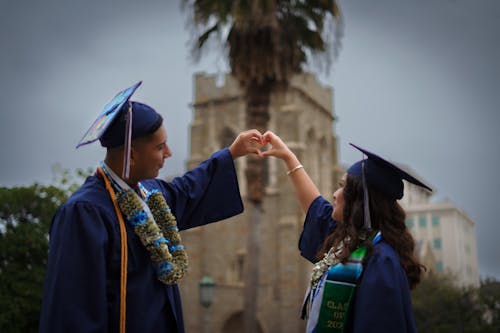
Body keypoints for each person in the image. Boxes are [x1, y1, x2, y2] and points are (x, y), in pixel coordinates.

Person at [39, 81, 264, 333]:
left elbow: (188, 189)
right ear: (131, 155)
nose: (168, 153)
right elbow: (73, 312)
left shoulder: (150, 196)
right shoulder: (86, 213)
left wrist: (232, 152)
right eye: (159, 147)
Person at [262, 131, 430, 333]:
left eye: (342, 187)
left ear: (360, 201)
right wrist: (288, 158)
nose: (334, 194)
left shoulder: (381, 261)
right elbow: (316, 208)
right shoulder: (349, 242)